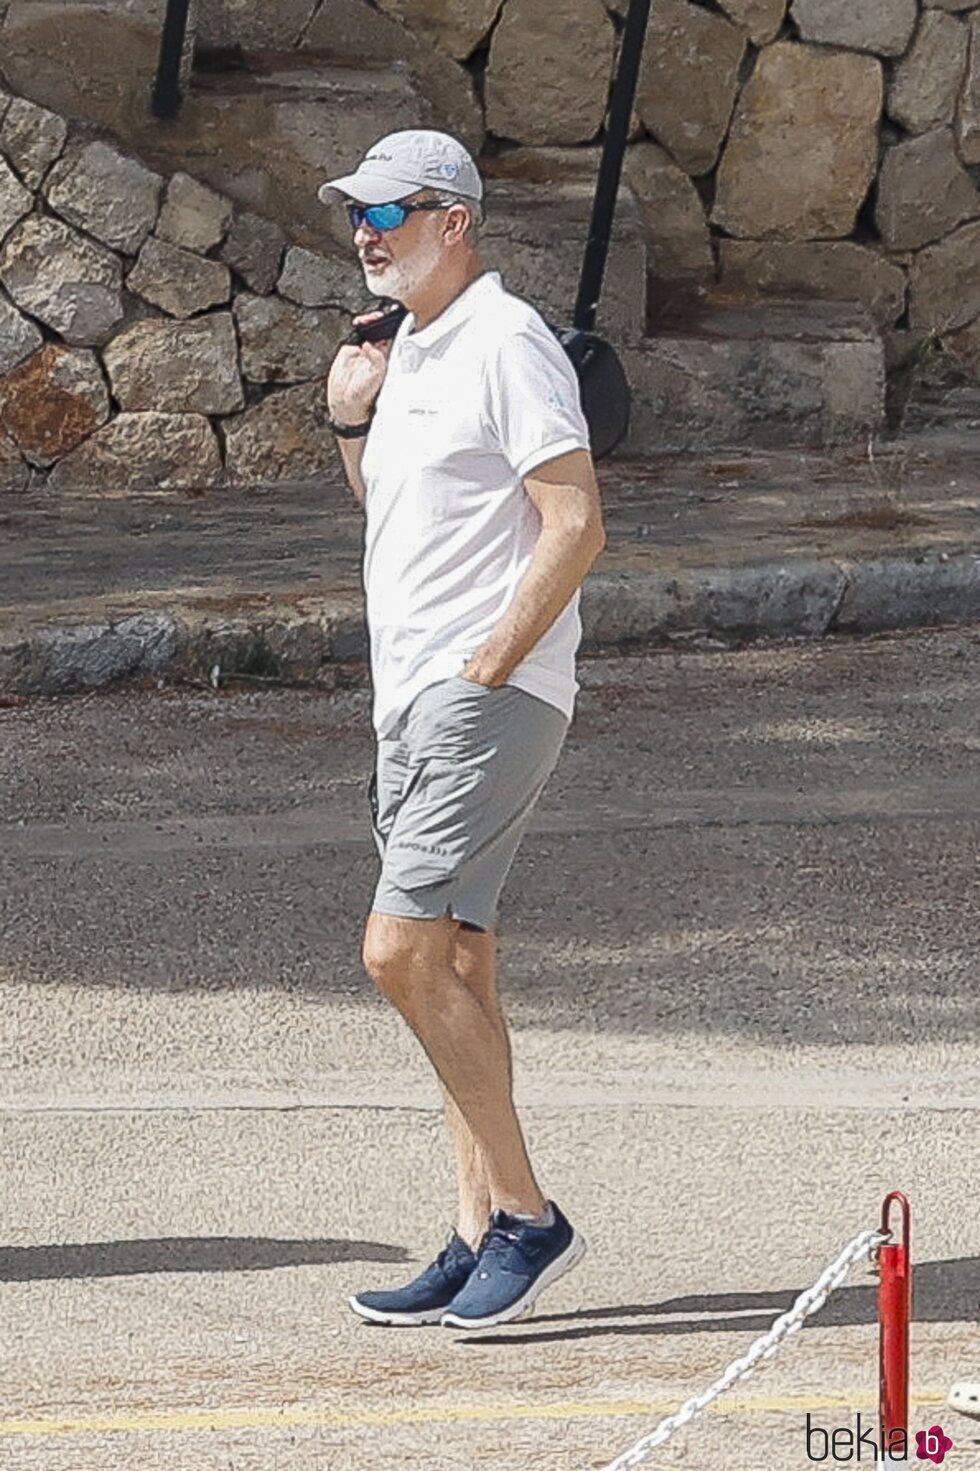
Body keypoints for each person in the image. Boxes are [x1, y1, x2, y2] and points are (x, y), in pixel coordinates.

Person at [321, 129, 606, 1331]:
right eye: (357, 213)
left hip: (478, 694)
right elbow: (404, 519)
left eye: (389, 213)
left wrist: (490, 664)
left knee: (396, 952)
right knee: (454, 965)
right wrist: (351, 424)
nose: (365, 233)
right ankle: (476, 1227)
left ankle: (530, 1218)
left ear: (454, 221)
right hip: (413, 697)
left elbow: (574, 518)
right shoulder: (411, 348)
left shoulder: (505, 339)